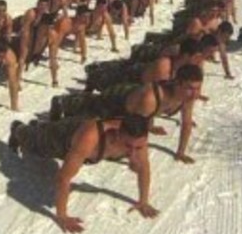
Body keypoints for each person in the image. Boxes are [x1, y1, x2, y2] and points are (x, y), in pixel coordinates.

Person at [8, 113, 157, 233]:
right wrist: (62, 215)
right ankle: (17, 128)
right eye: (127, 146)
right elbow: (63, 178)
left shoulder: (137, 140)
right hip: (66, 136)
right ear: (118, 134)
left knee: (43, 132)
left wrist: (143, 201)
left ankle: (39, 126)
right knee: (35, 143)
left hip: (83, 138)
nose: (132, 152)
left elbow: (144, 168)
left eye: (137, 148)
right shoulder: (90, 138)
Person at [52, 64, 205, 163]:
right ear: (177, 83)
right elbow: (137, 126)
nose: (194, 93)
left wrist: (181, 152)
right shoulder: (151, 98)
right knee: (91, 107)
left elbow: (186, 122)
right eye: (190, 88)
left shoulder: (188, 96)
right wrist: (134, 155)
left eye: (197, 88)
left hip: (133, 109)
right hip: (118, 99)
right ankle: (63, 102)